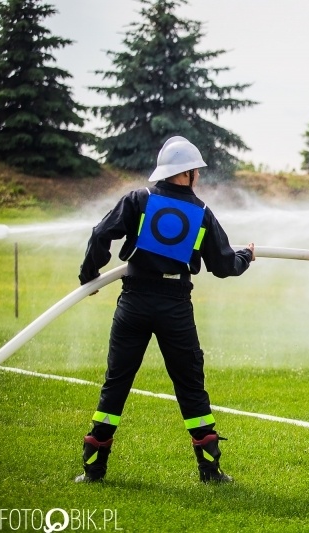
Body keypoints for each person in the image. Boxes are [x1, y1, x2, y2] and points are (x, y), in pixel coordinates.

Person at [75, 136, 255, 483]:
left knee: (116, 384)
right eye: (197, 171)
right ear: (188, 173)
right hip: (175, 305)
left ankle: (94, 469)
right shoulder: (201, 213)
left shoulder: (138, 199)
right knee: (190, 387)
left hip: (133, 301)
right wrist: (247, 256)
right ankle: (210, 470)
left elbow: (101, 234)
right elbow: (223, 264)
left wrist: (90, 275)